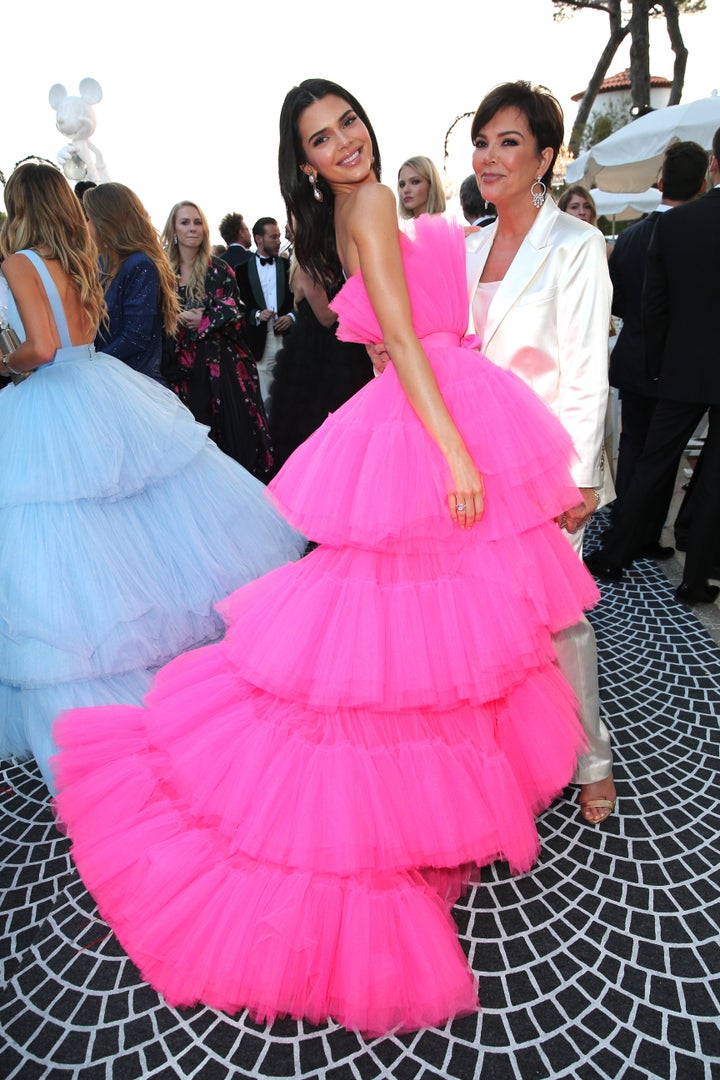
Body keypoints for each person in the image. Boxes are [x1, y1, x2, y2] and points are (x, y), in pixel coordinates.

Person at [54, 79, 599, 1036]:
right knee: (426, 646)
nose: (345, 140)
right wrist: (457, 450)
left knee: (413, 648)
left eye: (348, 120)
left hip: (415, 411)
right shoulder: (376, 201)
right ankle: (387, 828)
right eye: (322, 137)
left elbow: (387, 339)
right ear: (304, 161)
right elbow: (396, 335)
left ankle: (412, 822)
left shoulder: (357, 207)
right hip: (435, 422)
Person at [0, 162, 305, 793]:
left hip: (51, 392)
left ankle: (94, 698)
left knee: (63, 538)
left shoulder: (20, 264)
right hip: (100, 388)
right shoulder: (79, 259)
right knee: (123, 521)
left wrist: (7, 355)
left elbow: (41, 346)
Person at [465, 81, 615, 826]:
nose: (489, 156)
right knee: (487, 617)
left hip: (546, 466)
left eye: (509, 142)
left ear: (546, 157)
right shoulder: (464, 247)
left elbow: (589, 370)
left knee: (561, 621)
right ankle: (507, 756)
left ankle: (591, 756)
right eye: (483, 141)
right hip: (473, 470)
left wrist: (577, 478)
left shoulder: (577, 246)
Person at [586, 129, 720, 605]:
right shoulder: (673, 225)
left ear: (714, 168)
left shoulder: (673, 227)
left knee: (651, 461)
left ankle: (616, 552)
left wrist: (662, 363)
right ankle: (696, 576)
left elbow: (653, 305)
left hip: (678, 369)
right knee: (713, 481)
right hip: (684, 367)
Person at [606, 142, 708, 535]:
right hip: (672, 363)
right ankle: (644, 532)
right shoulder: (689, 233)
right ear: (701, 183)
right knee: (660, 453)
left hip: (633, 355)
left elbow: (616, 300)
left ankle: (623, 521)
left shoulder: (630, 237)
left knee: (633, 444)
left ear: (660, 182)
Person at [161, 201, 273, 480]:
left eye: (197, 222)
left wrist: (206, 319)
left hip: (223, 370)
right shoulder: (162, 272)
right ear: (173, 229)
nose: (192, 228)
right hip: (180, 375)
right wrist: (177, 318)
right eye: (185, 222)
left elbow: (237, 312)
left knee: (234, 444)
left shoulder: (220, 269)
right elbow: (155, 318)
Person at [268, 249, 372, 471]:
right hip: (313, 357)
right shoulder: (306, 269)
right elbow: (326, 317)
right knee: (311, 420)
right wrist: (354, 287)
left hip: (331, 352)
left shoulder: (321, 266)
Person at [82, 182, 176, 382]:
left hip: (136, 384)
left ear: (107, 221)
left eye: (89, 218)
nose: (86, 225)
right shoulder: (102, 264)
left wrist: (91, 362)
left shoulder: (140, 264)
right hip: (108, 379)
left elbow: (136, 337)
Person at [235, 217, 295, 411]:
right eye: (273, 237)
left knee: (293, 387)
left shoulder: (289, 267)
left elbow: (300, 302)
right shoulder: (241, 271)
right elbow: (238, 307)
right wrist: (256, 315)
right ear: (258, 239)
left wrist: (291, 317)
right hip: (260, 340)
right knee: (265, 393)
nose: (279, 241)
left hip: (288, 337)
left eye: (278, 236)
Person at [397, 155, 446, 221]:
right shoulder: (407, 229)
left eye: (415, 182)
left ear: (431, 185)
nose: (406, 190)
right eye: (402, 185)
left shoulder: (440, 227)